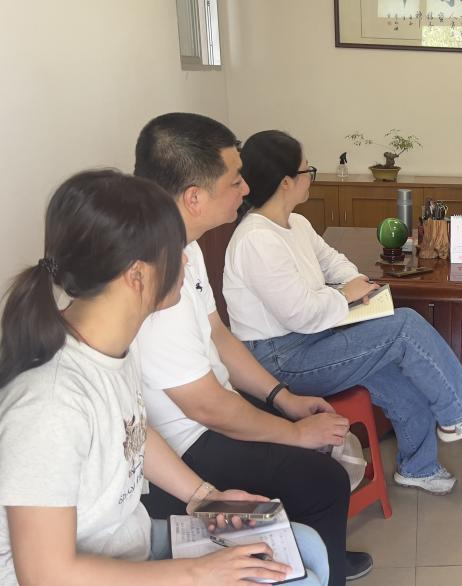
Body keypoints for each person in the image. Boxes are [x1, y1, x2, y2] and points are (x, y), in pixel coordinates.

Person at [0, 170, 329, 585]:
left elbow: (133, 432)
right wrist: (199, 572)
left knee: (307, 546)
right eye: (176, 250)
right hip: (81, 573)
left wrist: (206, 499)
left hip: (127, 543)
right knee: (300, 577)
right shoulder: (48, 404)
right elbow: (46, 575)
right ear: (137, 276)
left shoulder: (110, 345)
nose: (186, 260)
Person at [131, 113, 372, 583]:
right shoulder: (154, 275)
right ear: (194, 197)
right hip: (188, 439)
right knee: (321, 477)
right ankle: (319, 565)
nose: (246, 189)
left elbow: (220, 336)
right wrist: (293, 434)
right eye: (235, 180)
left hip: (211, 410)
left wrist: (284, 398)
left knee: (319, 438)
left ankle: (313, 557)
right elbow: (205, 406)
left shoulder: (187, 246)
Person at [223, 130, 462, 496]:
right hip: (281, 360)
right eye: (307, 170)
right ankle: (461, 414)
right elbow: (302, 315)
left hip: (313, 339)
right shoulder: (257, 239)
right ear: (286, 182)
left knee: (401, 375)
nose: (311, 177)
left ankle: (418, 468)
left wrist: (357, 283)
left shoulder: (296, 224)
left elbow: (332, 261)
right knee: (404, 326)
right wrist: (346, 296)